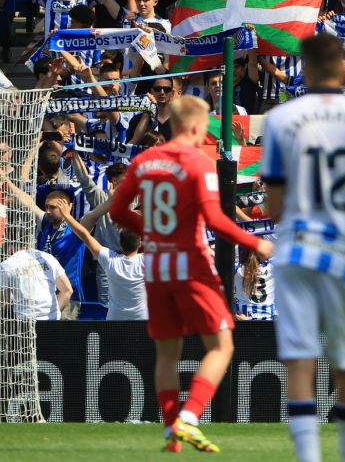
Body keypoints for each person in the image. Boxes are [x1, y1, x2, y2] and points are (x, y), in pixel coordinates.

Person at [108, 95, 275, 453]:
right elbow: (215, 220)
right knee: (222, 344)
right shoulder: (199, 163)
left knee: (167, 353)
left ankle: (171, 430)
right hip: (190, 263)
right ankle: (190, 417)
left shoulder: (143, 161)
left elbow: (119, 212)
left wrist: (151, 229)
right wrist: (256, 244)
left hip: (156, 266)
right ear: (198, 127)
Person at [261, 33, 345, 462]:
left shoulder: (281, 119)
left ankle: (308, 458)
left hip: (297, 249)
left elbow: (274, 204)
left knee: (301, 363)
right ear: (342, 66)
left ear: (303, 68)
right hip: (342, 254)